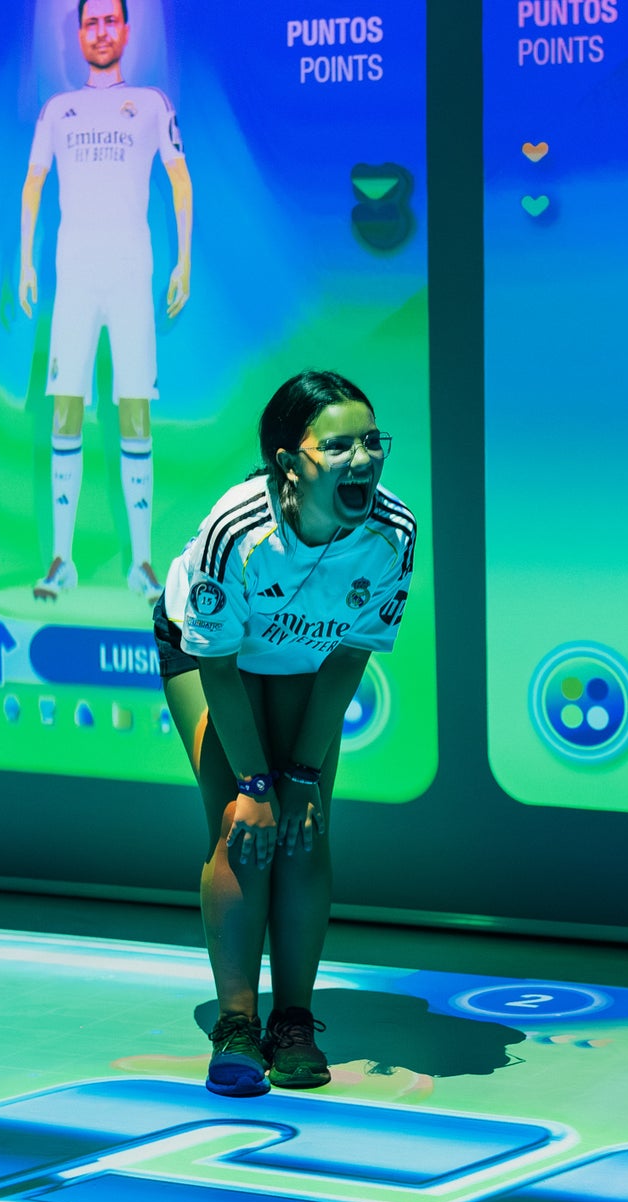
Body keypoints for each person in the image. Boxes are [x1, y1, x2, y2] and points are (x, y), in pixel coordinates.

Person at [152, 370, 414, 1097]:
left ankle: (294, 1021)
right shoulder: (238, 530)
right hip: (216, 656)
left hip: (307, 659)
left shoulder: (393, 534)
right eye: (338, 446)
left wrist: (300, 778)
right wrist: (256, 784)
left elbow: (350, 658)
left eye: (371, 441)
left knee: (305, 826)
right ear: (288, 462)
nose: (362, 459)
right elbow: (217, 662)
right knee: (241, 824)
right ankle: (236, 1025)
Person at [20, 0, 192, 604]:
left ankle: (142, 563)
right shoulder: (57, 110)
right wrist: (25, 262)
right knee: (65, 409)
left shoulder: (150, 104)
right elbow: (34, 182)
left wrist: (184, 259)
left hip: (129, 280)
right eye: (89, 22)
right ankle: (61, 560)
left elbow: (179, 178)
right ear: (78, 33)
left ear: (125, 28)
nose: (99, 31)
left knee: (135, 410)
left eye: (109, 21)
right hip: (74, 281)